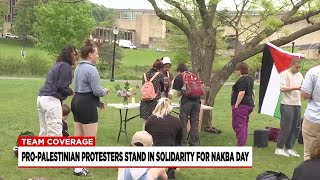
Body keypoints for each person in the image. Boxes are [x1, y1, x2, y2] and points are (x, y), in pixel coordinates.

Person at [71, 40, 108, 176]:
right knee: (89, 139)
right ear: (91, 54)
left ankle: (77, 167)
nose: (98, 56)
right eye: (97, 53)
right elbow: (97, 90)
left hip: (77, 101)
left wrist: (98, 102)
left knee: (79, 137)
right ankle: (82, 168)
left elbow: (84, 89)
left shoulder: (78, 67)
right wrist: (105, 91)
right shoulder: (91, 69)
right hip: (86, 104)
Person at [37, 46, 78, 136]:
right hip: (51, 100)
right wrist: (71, 91)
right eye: (75, 55)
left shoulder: (57, 65)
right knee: (55, 134)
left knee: (44, 132)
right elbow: (62, 86)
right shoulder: (66, 67)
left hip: (41, 98)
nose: (76, 57)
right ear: (69, 55)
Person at [145, 97, 182, 180]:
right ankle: (171, 169)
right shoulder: (177, 121)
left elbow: (146, 137)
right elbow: (179, 141)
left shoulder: (150, 120)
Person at [275, 57, 303, 157]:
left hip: (297, 104)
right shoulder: (285, 74)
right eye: (296, 67)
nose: (298, 69)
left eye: (299, 67)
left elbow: (303, 87)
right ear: (292, 65)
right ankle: (279, 148)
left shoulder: (300, 75)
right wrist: (295, 88)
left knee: (296, 127)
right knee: (286, 126)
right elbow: (282, 88)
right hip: (287, 104)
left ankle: (289, 148)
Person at [172, 64, 201, 146]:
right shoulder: (193, 76)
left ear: (178, 71)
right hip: (197, 101)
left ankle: (183, 143)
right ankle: (194, 143)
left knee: (183, 123)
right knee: (195, 123)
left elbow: (178, 94)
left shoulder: (179, 77)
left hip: (186, 102)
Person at [231, 62, 254, 146]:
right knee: (244, 125)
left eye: (237, 70)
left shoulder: (242, 79)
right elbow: (251, 91)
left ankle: (240, 145)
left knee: (238, 125)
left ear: (240, 70)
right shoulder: (250, 79)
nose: (236, 72)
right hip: (249, 104)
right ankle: (242, 143)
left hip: (242, 105)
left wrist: (236, 105)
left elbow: (241, 92)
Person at [300, 62, 320, 160]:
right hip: (313, 118)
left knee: (309, 154)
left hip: (314, 118)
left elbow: (305, 94)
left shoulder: (314, 72)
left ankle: (309, 174)